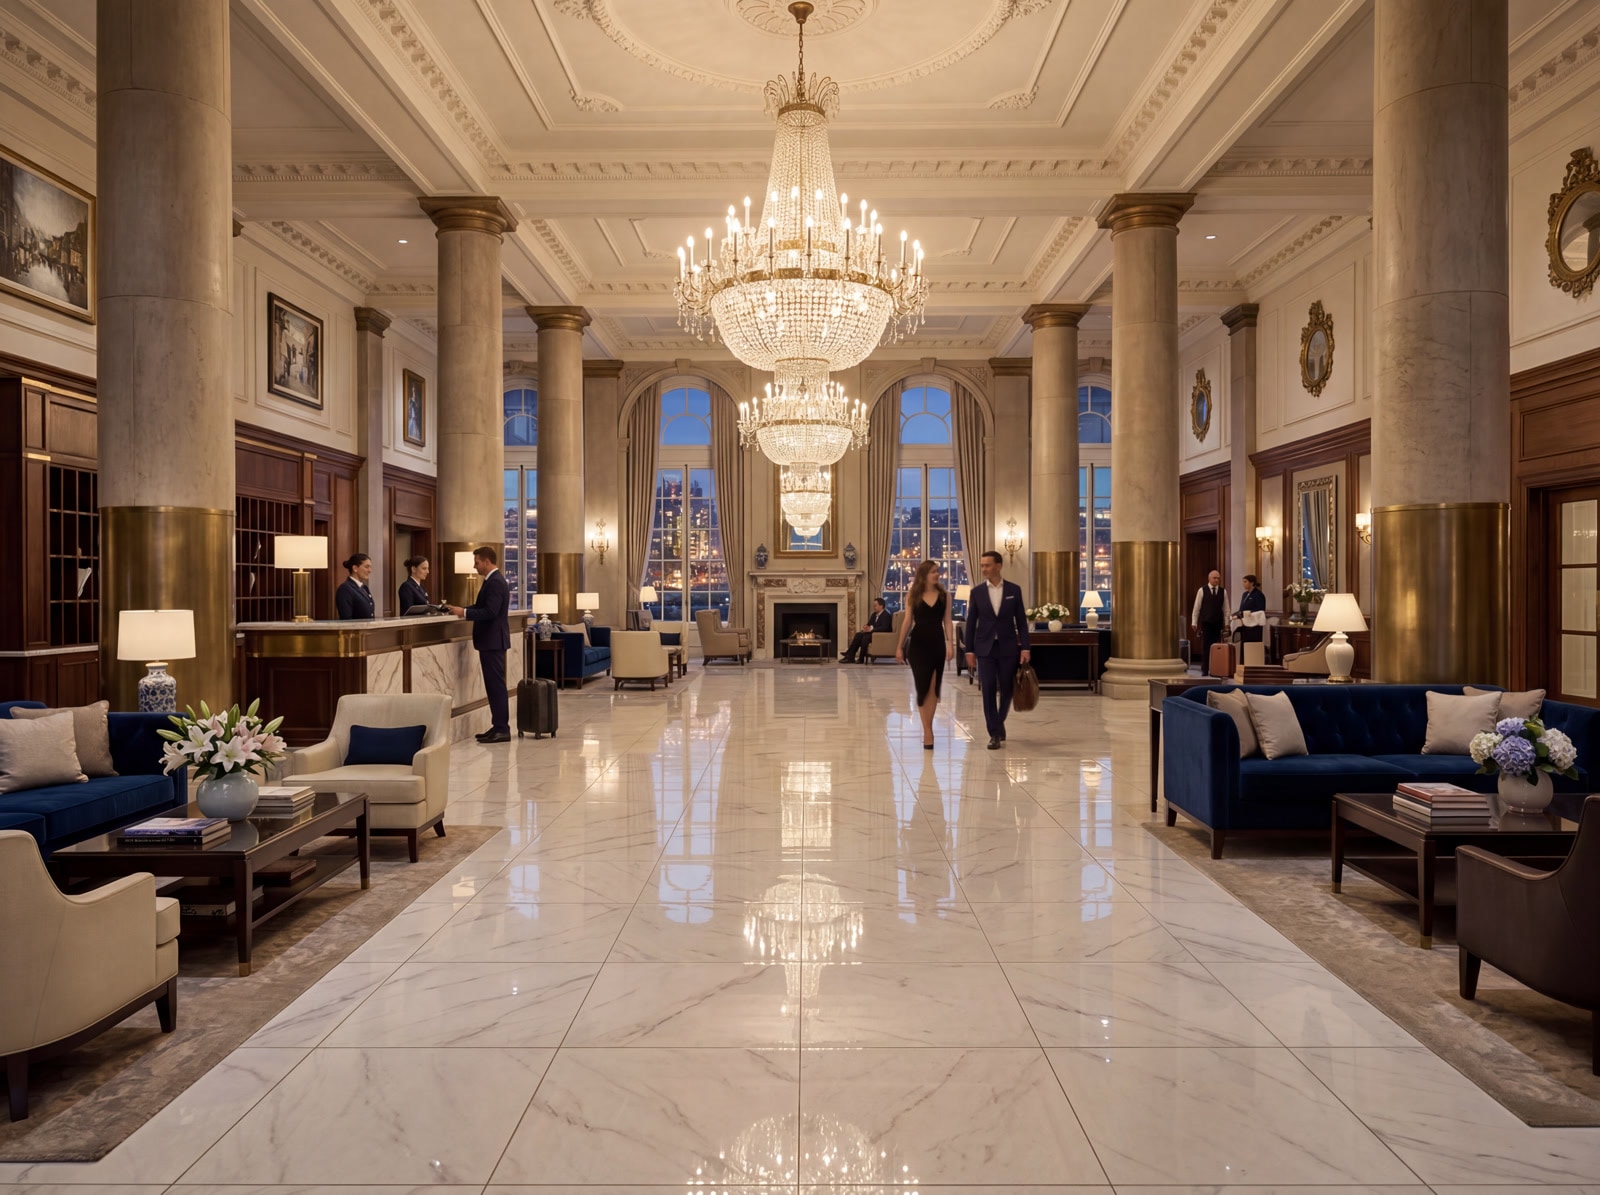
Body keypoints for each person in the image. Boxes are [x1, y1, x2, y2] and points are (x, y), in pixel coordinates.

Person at [963, 550, 1031, 750]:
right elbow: (971, 623)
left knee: (1007, 689)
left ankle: (999, 721)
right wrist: (969, 650)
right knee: (988, 689)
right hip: (985, 649)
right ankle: (994, 733)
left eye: (987, 565)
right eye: (982, 565)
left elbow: (1021, 622)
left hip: (1008, 647)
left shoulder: (1014, 590)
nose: (984, 569)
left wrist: (1025, 647)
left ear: (998, 566)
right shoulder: (977, 592)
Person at [447, 546, 511, 743]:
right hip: (491, 641)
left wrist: (464, 613)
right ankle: (498, 726)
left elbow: (490, 612)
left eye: (476, 563)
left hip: (493, 641)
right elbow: (481, 607)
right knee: (493, 685)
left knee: (496, 686)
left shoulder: (495, 582)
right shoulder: (492, 580)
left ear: (486, 561)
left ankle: (502, 728)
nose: (475, 567)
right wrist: (462, 609)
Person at [895, 560, 955, 749]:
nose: (937, 574)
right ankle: (927, 730)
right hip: (918, 645)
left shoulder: (945, 596)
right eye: (933, 572)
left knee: (933, 688)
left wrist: (950, 643)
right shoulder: (913, 595)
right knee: (922, 687)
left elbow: (947, 621)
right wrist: (899, 646)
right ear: (924, 575)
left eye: (937, 571)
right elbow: (907, 621)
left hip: (937, 643)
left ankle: (928, 731)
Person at [1191, 569, 1229, 665]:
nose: (1216, 580)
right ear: (1209, 578)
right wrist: (1194, 622)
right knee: (1206, 646)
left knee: (1217, 646)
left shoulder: (1223, 591)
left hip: (1218, 623)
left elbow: (1226, 609)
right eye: (1214, 578)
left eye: (1218, 578)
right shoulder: (1202, 590)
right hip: (1206, 622)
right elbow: (1196, 607)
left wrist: (1227, 623)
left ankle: (1216, 666)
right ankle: (1205, 668)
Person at [841, 598, 894, 662]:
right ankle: (850, 656)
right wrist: (866, 627)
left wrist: (871, 629)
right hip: (873, 633)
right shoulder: (874, 614)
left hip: (880, 636)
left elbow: (884, 628)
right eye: (873, 606)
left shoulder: (886, 615)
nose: (874, 607)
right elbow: (869, 624)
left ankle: (861, 659)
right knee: (858, 635)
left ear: (881, 606)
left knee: (865, 637)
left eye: (875, 605)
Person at [335, 553, 375, 620]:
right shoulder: (345, 589)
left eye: (370, 567)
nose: (370, 571)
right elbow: (346, 618)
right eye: (366, 567)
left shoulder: (365, 588)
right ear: (355, 568)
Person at [1234, 573, 1267, 645]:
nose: (1243, 584)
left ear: (1252, 583)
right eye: (1243, 582)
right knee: (1244, 644)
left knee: (1252, 645)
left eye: (1245, 582)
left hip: (1254, 626)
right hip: (1244, 624)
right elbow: (1242, 609)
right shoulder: (1245, 594)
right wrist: (1237, 615)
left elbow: (1260, 610)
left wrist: (1246, 613)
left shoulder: (1258, 595)